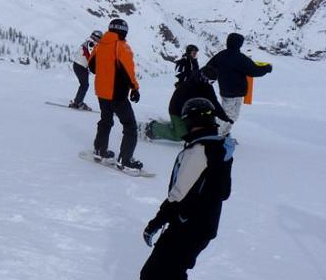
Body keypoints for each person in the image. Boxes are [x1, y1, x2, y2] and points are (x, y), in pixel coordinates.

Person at [139, 97, 236, 280]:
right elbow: (222, 192)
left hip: (187, 224)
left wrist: (156, 223)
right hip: (203, 225)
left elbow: (178, 194)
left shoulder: (200, 151)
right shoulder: (218, 148)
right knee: (173, 269)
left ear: (192, 120)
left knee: (153, 274)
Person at [88, 18, 142, 170]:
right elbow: (128, 71)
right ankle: (125, 160)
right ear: (123, 31)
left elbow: (92, 66)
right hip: (117, 94)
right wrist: (134, 88)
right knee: (130, 126)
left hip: (101, 92)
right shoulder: (122, 47)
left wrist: (106, 73)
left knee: (106, 121)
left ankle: (99, 150)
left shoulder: (100, 45)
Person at [205, 33, 273, 136]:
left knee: (231, 115)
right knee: (228, 115)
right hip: (235, 92)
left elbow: (208, 68)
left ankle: (223, 134)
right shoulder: (239, 58)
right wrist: (267, 68)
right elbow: (253, 70)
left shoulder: (221, 55)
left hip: (226, 91)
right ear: (238, 44)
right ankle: (215, 137)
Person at [144, 66, 232, 142]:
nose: (211, 84)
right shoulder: (189, 85)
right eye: (210, 81)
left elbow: (214, 102)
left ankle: (175, 126)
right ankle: (152, 129)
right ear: (204, 77)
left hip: (193, 112)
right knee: (181, 136)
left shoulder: (207, 86)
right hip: (177, 111)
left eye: (213, 82)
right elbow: (180, 104)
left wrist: (224, 117)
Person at [69, 30, 102, 110]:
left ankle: (77, 101)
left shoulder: (89, 42)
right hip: (81, 66)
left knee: (84, 85)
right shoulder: (91, 44)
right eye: (100, 39)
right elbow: (91, 57)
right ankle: (77, 102)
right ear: (96, 38)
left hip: (79, 65)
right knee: (84, 85)